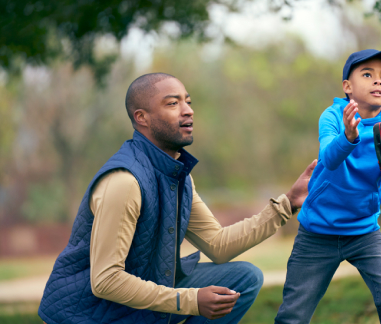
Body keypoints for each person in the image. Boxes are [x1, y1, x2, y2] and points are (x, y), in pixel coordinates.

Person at [38, 73, 316, 324]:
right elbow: (106, 281)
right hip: (92, 312)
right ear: (142, 118)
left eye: (188, 102)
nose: (188, 111)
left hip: (143, 293)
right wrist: (190, 300)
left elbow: (218, 245)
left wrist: (288, 203)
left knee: (243, 277)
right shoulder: (124, 182)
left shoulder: (177, 176)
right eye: (173, 104)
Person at [274, 49, 381, 324]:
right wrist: (349, 137)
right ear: (347, 87)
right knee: (293, 314)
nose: (378, 81)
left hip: (364, 232)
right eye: (367, 74)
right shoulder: (332, 116)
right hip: (317, 232)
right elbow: (328, 158)